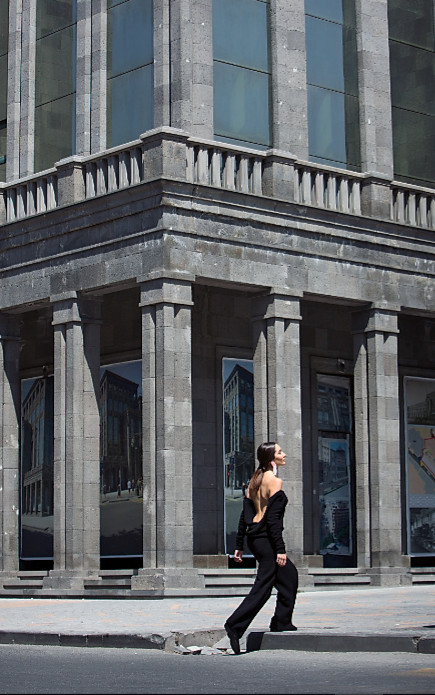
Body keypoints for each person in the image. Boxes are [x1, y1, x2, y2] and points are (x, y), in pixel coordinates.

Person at [224, 441, 298, 655]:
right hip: (266, 540)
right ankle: (234, 625)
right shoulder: (274, 481)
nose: (284, 454)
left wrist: (239, 545)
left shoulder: (254, 480)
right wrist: (280, 550)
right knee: (263, 587)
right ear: (271, 458)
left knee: (289, 577)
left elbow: (244, 515)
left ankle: (281, 622)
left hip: (255, 538)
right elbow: (273, 520)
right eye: (280, 452)